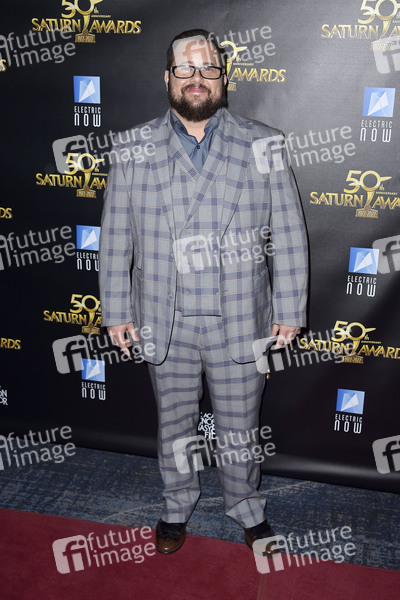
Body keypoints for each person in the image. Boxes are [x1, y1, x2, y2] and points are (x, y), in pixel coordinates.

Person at [99, 28, 308, 556]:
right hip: (162, 316)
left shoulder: (264, 143)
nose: (197, 78)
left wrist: (290, 307)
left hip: (239, 315)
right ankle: (176, 505)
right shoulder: (132, 147)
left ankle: (246, 507)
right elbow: (116, 235)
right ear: (167, 77)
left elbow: (288, 233)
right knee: (174, 425)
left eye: (208, 68)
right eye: (185, 68)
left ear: (223, 77)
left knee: (240, 428)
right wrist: (116, 310)